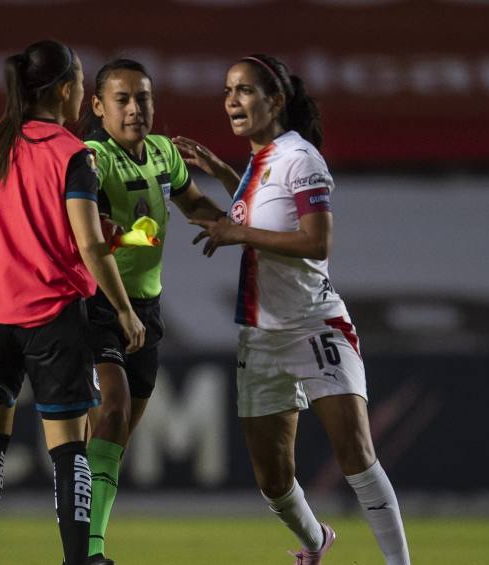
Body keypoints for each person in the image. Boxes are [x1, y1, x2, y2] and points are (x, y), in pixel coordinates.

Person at [175, 54, 411, 565]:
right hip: (261, 336)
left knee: (355, 455)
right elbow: (260, 208)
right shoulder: (262, 162)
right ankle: (315, 543)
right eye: (226, 91)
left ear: (275, 100)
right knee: (274, 480)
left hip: (313, 324)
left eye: (244, 90)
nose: (231, 101)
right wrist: (220, 172)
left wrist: (237, 232)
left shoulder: (301, 158)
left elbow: (315, 241)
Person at [0, 40, 145, 565]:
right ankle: (77, 559)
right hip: (55, 319)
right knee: (68, 447)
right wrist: (123, 308)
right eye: (81, 84)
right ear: (67, 90)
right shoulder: (73, 154)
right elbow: (90, 244)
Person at [76, 59, 226, 565]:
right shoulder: (92, 158)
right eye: (123, 99)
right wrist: (121, 306)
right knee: (113, 406)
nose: (135, 108)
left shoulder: (163, 154)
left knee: (115, 436)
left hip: (148, 307)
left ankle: (80, 513)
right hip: (99, 303)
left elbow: (196, 207)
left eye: (143, 98)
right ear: (97, 107)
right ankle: (89, 550)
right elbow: (93, 239)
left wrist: (241, 227)